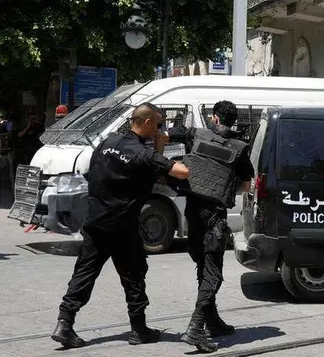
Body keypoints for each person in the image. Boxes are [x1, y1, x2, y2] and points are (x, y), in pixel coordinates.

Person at [51, 103, 190, 349]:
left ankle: (64, 323)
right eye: (158, 124)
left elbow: (94, 172)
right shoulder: (142, 154)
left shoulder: (108, 142)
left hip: (96, 221)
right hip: (122, 227)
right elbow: (180, 171)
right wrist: (164, 146)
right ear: (147, 123)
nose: (160, 128)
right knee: (134, 277)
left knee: (84, 274)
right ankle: (139, 330)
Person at [168, 101, 254, 353]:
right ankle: (196, 328)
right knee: (213, 273)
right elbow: (246, 187)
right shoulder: (239, 149)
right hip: (214, 216)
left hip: (193, 212)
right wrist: (225, 190)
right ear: (233, 120)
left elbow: (168, 136)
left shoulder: (195, 135)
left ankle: (212, 320)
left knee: (203, 267)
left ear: (214, 118)